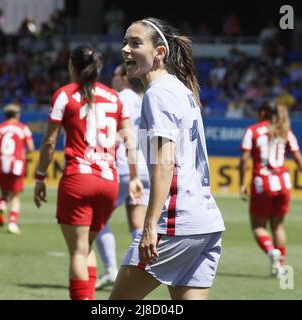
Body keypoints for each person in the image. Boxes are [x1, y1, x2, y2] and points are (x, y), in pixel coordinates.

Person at [110, 17, 225, 300]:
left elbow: (165, 162)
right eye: (125, 42)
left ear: (160, 52)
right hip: (206, 223)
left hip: (175, 223)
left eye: (136, 43)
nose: (126, 49)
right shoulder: (181, 90)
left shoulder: (158, 94)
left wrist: (150, 226)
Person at [33, 45, 142, 300]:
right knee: (87, 246)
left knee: (78, 252)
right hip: (109, 179)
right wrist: (135, 176)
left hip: (79, 178)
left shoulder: (65, 95)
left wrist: (40, 176)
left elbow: (49, 142)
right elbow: (130, 140)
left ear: (72, 66)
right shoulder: (115, 98)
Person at [239, 99, 302, 278]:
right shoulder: (285, 132)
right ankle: (280, 267)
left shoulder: (252, 131)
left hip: (263, 183)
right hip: (284, 182)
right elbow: (299, 158)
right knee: (278, 226)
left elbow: (244, 159)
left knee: (258, 227)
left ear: (261, 112)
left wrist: (242, 183)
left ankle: (271, 252)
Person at [95, 63, 149, 289]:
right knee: (138, 223)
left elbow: (117, 133)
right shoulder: (144, 98)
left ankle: (110, 270)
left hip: (124, 166)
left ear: (124, 78)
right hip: (144, 167)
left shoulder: (121, 98)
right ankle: (143, 270)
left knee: (96, 219)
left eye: (115, 75)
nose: (113, 79)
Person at [0, 103, 34, 235]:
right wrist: (24, 153)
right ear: (17, 115)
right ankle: (12, 223)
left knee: (4, 193)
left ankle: (2, 206)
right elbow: (30, 147)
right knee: (16, 195)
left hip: (2, 163)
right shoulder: (23, 128)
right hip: (17, 164)